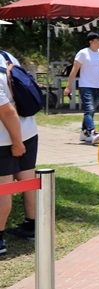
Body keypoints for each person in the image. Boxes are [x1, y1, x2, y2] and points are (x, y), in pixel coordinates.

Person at [0, 51, 39, 254]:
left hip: (5, 138)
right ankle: (31, 225)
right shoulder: (7, 56)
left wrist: (16, 143)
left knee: (3, 187)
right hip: (29, 129)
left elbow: (7, 112)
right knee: (28, 179)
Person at [63, 32, 99, 144]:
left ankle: (84, 133)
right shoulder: (83, 53)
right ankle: (92, 132)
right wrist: (68, 86)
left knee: (92, 111)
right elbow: (74, 71)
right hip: (85, 86)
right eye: (98, 40)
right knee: (89, 109)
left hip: (97, 87)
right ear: (91, 41)